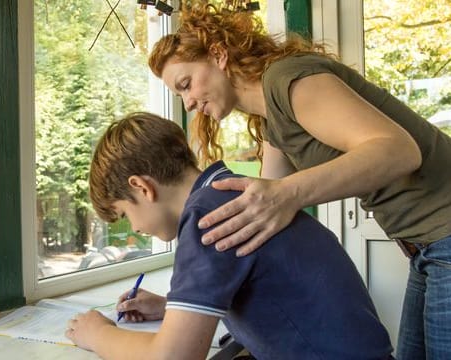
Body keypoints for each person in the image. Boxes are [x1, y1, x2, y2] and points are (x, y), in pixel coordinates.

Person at [147, 2, 451, 359]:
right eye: (179, 95)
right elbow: (263, 218)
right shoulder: (269, 120)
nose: (189, 103)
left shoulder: (288, 80)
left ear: (218, 54)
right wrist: (182, 306)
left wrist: (288, 194)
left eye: (186, 84)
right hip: (426, 248)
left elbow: (400, 151)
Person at [65, 112, 393, 359]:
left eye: (125, 214)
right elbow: (262, 289)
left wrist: (98, 334)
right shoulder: (228, 191)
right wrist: (171, 308)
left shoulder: (206, 215)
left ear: (142, 187)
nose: (135, 228)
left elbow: (173, 356)